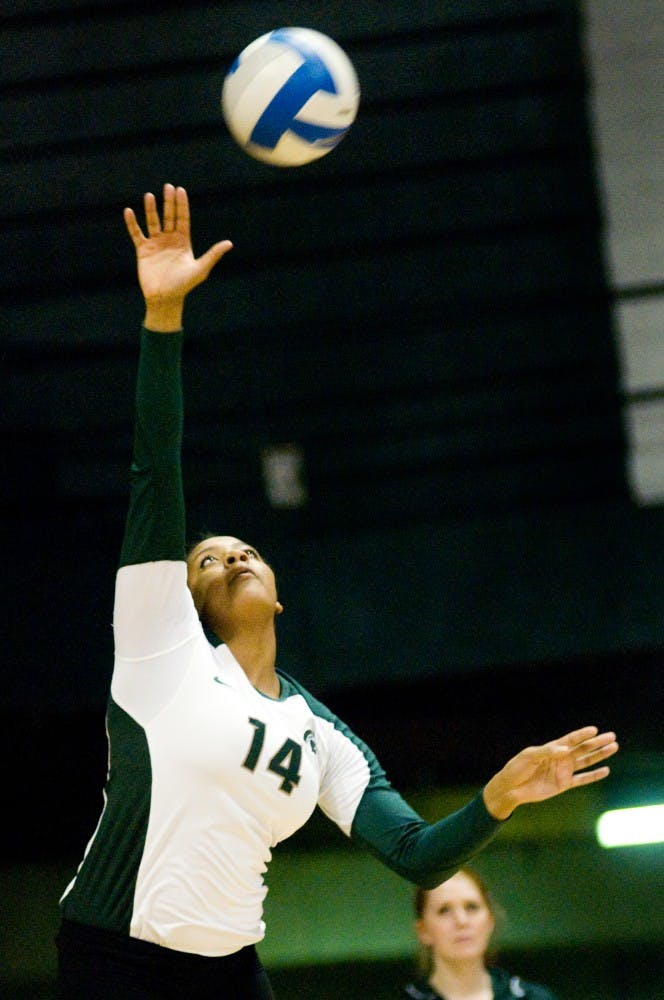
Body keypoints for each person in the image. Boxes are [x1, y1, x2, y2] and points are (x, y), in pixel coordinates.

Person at [54, 183, 619, 999]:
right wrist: (164, 318)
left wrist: (500, 795)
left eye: (246, 550)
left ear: (279, 595)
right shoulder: (159, 647)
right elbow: (155, 466)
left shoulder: (318, 733)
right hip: (117, 964)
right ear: (183, 596)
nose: (235, 557)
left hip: (232, 975)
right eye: (209, 560)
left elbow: (416, 854)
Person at [402, 867, 558, 999]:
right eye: (444, 910)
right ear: (423, 930)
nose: (461, 921)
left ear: (490, 920)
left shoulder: (533, 997)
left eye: (471, 907)